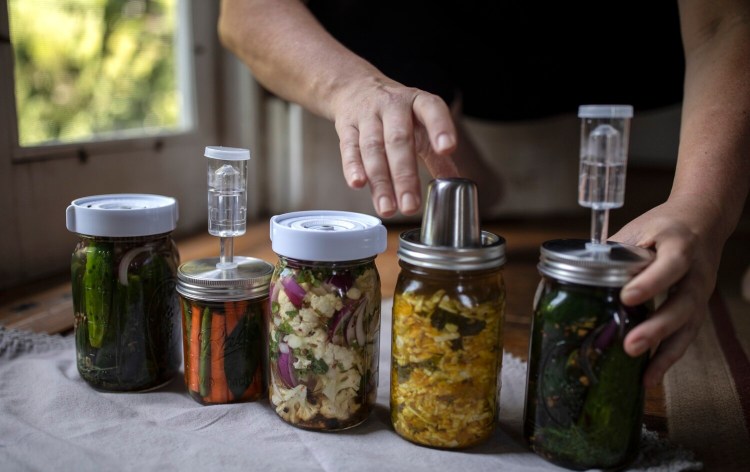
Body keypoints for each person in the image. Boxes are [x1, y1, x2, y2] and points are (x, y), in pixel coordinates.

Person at [217, 0, 750, 388]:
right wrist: (349, 86)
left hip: (621, 41)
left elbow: (724, 22)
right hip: (438, 37)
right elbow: (243, 13)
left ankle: (459, 175)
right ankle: (457, 170)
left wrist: (703, 207)